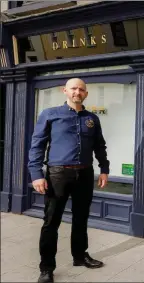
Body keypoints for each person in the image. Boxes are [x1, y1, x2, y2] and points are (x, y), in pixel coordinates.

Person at [28, 78, 110, 283]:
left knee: (81, 219)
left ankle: (80, 256)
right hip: (57, 174)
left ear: (86, 94)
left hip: (85, 174)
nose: (77, 92)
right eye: (74, 88)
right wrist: (36, 174)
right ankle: (46, 267)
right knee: (51, 222)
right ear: (64, 91)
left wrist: (104, 169)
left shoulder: (92, 119)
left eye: (81, 89)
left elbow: (100, 145)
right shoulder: (50, 114)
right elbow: (37, 145)